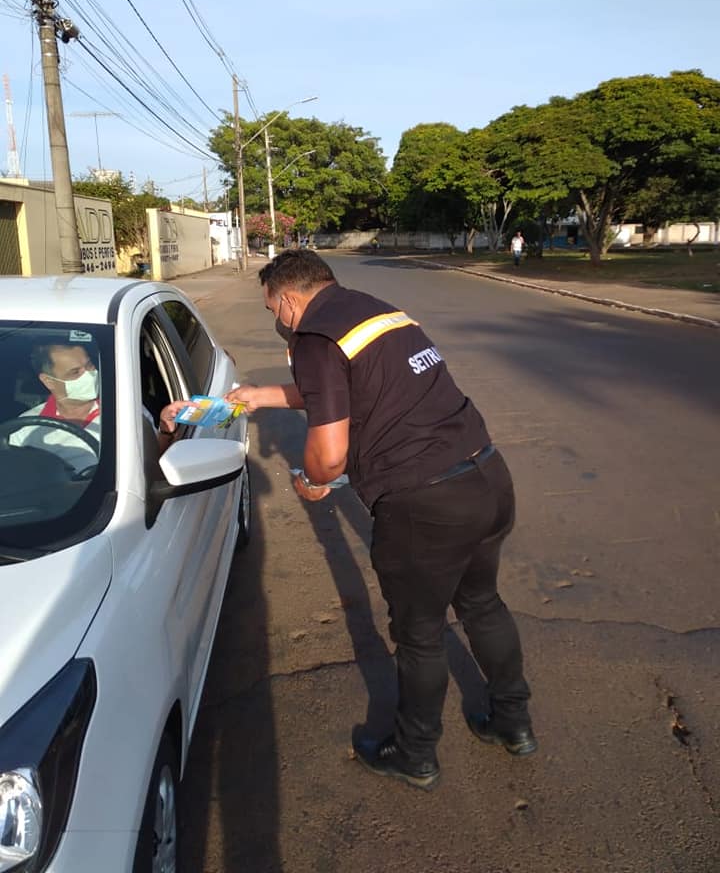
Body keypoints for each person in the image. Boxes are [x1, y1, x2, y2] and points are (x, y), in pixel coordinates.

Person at [226, 249, 535, 791]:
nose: (276, 318)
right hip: (486, 476)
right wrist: (266, 397)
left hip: (424, 504)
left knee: (419, 635)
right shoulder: (376, 312)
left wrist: (315, 481)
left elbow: (330, 450)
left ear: (290, 302)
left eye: (272, 307)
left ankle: (415, 753)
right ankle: (514, 721)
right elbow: (349, 390)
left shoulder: (315, 337)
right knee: (483, 603)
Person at [10, 341, 191, 472]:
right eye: (75, 372)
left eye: (89, 365)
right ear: (48, 381)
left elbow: (152, 465)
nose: (90, 374)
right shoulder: (23, 429)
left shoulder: (125, 410)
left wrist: (166, 429)